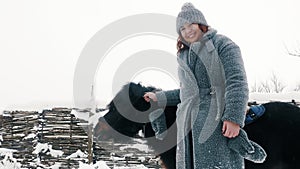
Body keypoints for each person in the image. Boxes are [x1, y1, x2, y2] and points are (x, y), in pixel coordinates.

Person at [144, 2, 266, 169]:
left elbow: (237, 81)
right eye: (182, 28)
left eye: (191, 24)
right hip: (186, 129)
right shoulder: (183, 56)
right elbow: (187, 93)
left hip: (214, 123)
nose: (188, 30)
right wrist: (159, 97)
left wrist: (233, 118)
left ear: (201, 24)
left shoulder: (223, 44)